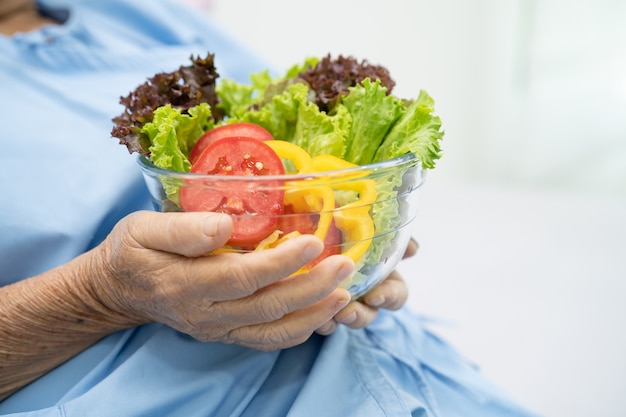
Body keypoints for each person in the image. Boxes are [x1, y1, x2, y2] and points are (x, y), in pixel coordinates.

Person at [0, 1, 542, 416]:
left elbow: (283, 144)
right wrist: (102, 294)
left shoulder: (131, 11)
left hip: (396, 360)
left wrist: (360, 235)